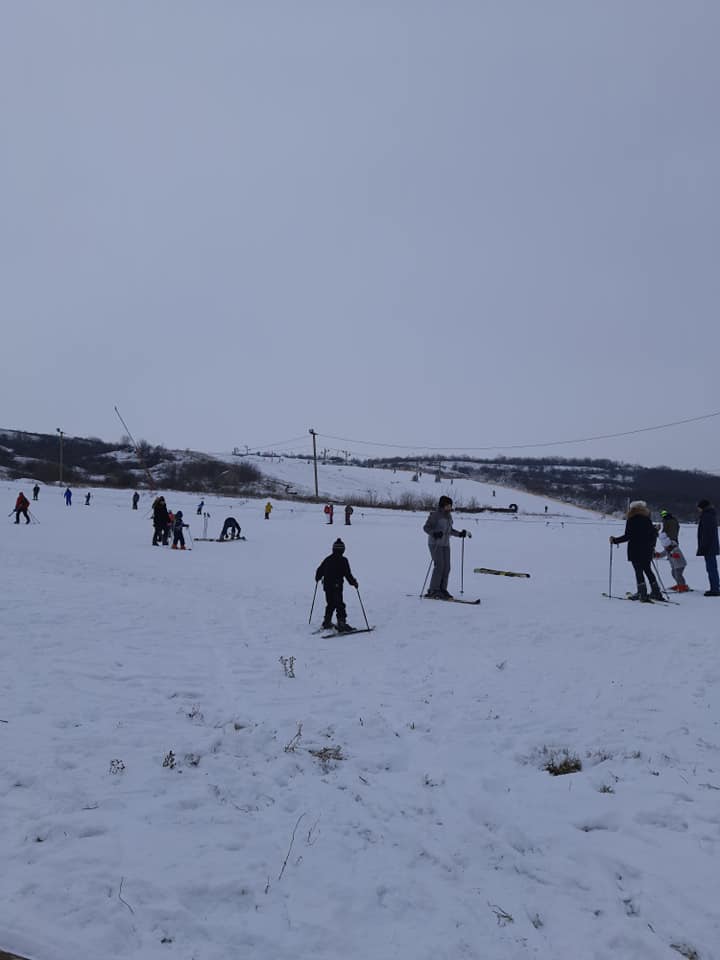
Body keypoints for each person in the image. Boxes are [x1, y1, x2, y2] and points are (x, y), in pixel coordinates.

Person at [609, 500, 663, 602]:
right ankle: (656, 592)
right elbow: (653, 535)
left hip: (635, 550)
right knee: (648, 570)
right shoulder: (647, 519)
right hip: (647, 550)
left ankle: (642, 594)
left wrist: (615, 540)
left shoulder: (632, 520)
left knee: (639, 571)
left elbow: (628, 536)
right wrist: (652, 545)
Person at [422, 495, 468, 599]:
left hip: (445, 544)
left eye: (450, 505)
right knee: (439, 566)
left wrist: (460, 534)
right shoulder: (435, 515)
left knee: (447, 567)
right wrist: (434, 533)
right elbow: (426, 527)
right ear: (442, 505)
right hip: (435, 544)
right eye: (448, 505)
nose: (450, 507)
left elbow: (450, 530)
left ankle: (442, 589)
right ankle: (433, 590)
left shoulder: (449, 516)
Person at [315, 538, 358, 632]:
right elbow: (347, 574)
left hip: (326, 585)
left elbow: (319, 570)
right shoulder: (343, 560)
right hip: (337, 586)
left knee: (330, 603)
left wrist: (317, 577)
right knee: (339, 604)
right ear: (343, 550)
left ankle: (327, 622)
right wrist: (353, 582)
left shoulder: (328, 559)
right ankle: (341, 624)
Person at [696, 499, 720, 596]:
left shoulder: (707, 516)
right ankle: (715, 586)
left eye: (698, 508)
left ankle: (715, 589)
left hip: (709, 547)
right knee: (712, 567)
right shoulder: (709, 515)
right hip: (710, 546)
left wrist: (704, 546)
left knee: (711, 568)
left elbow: (707, 533)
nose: (698, 510)